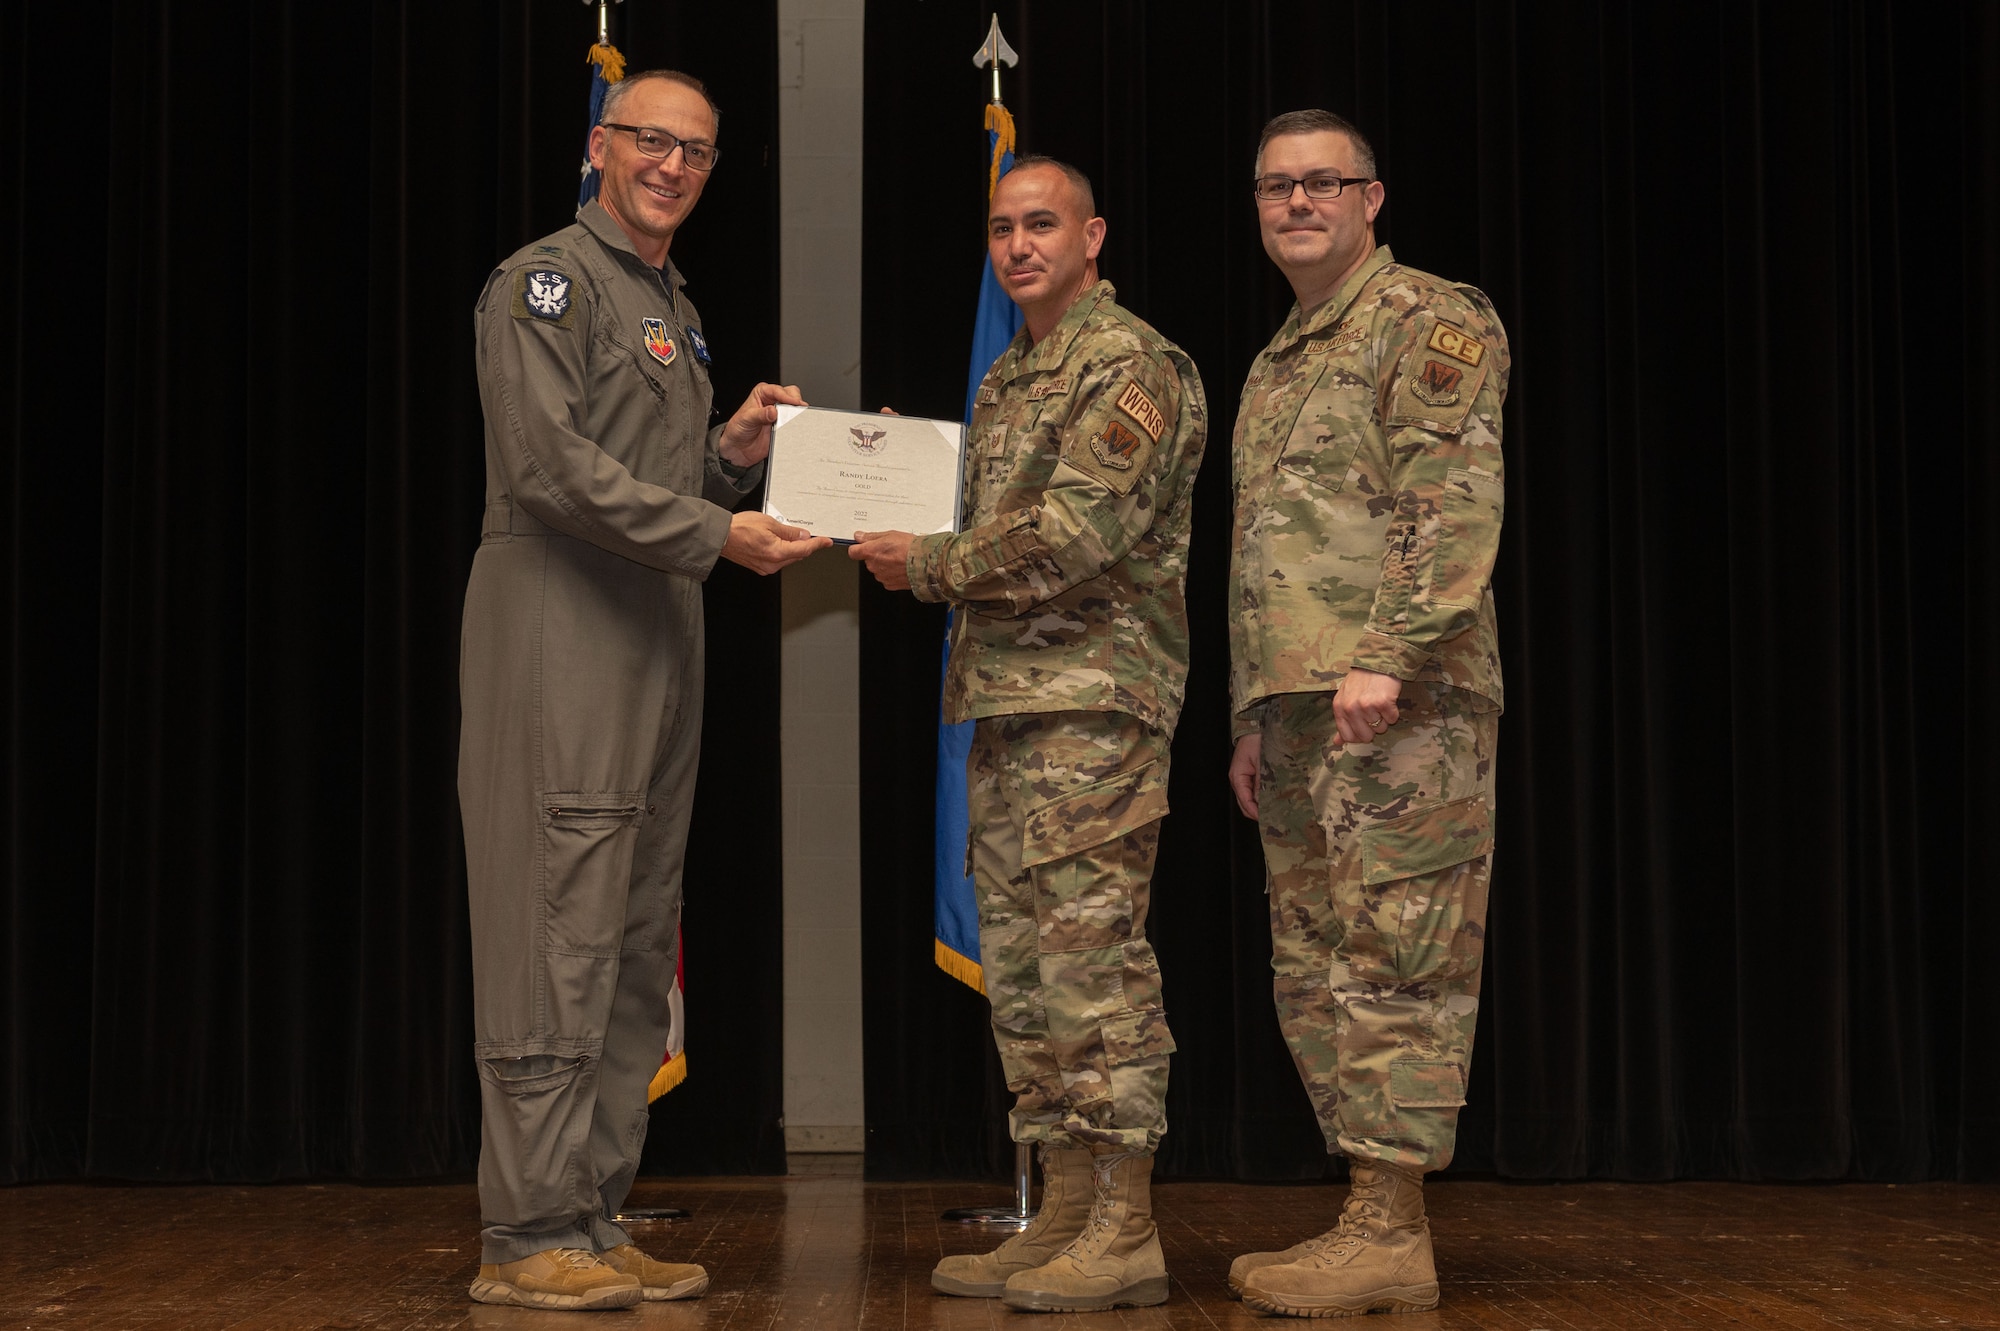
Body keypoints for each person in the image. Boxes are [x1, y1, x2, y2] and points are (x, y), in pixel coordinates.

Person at [459, 69, 830, 1312]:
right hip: (562, 637)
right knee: (553, 928)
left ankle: (590, 1211)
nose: (672, 165)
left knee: (625, 941)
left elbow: (647, 475)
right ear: (599, 146)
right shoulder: (544, 282)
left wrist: (726, 456)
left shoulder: (667, 300)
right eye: (650, 142)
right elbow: (550, 468)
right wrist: (716, 530)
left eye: (697, 151)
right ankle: (523, 1234)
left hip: (656, 643)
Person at [850, 155, 1207, 1314]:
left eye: (1040, 223)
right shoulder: (1011, 375)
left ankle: (1124, 1224)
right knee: (1028, 975)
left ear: (1091, 235)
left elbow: (1070, 533)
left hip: (1091, 708)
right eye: (1000, 227)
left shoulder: (1129, 363)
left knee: (1093, 968)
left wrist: (930, 561)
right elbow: (990, 516)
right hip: (1008, 713)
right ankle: (1060, 1204)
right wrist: (894, 475)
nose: (1017, 246)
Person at [1223, 110, 1510, 1318]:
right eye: (1275, 187)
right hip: (1297, 711)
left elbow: (1445, 497)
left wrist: (1387, 652)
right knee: (1316, 968)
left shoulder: (1427, 317)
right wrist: (1251, 713)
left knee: (1397, 955)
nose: (1297, 203)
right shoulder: (1280, 355)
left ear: (1370, 198)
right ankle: (1367, 1213)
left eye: (1321, 183)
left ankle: (1392, 1227)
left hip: (1401, 702)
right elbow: (1269, 555)